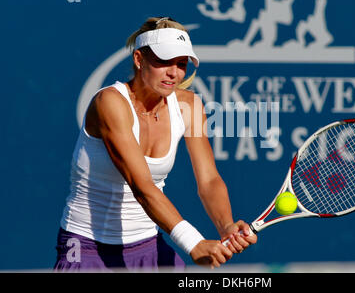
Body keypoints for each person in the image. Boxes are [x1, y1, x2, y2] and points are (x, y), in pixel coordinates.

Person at [54, 16, 257, 271]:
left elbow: (209, 180)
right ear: (139, 59)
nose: (174, 73)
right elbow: (143, 187)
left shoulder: (190, 105)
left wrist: (226, 225)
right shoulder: (109, 103)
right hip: (87, 249)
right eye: (163, 62)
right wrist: (193, 242)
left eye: (181, 64)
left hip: (149, 246)